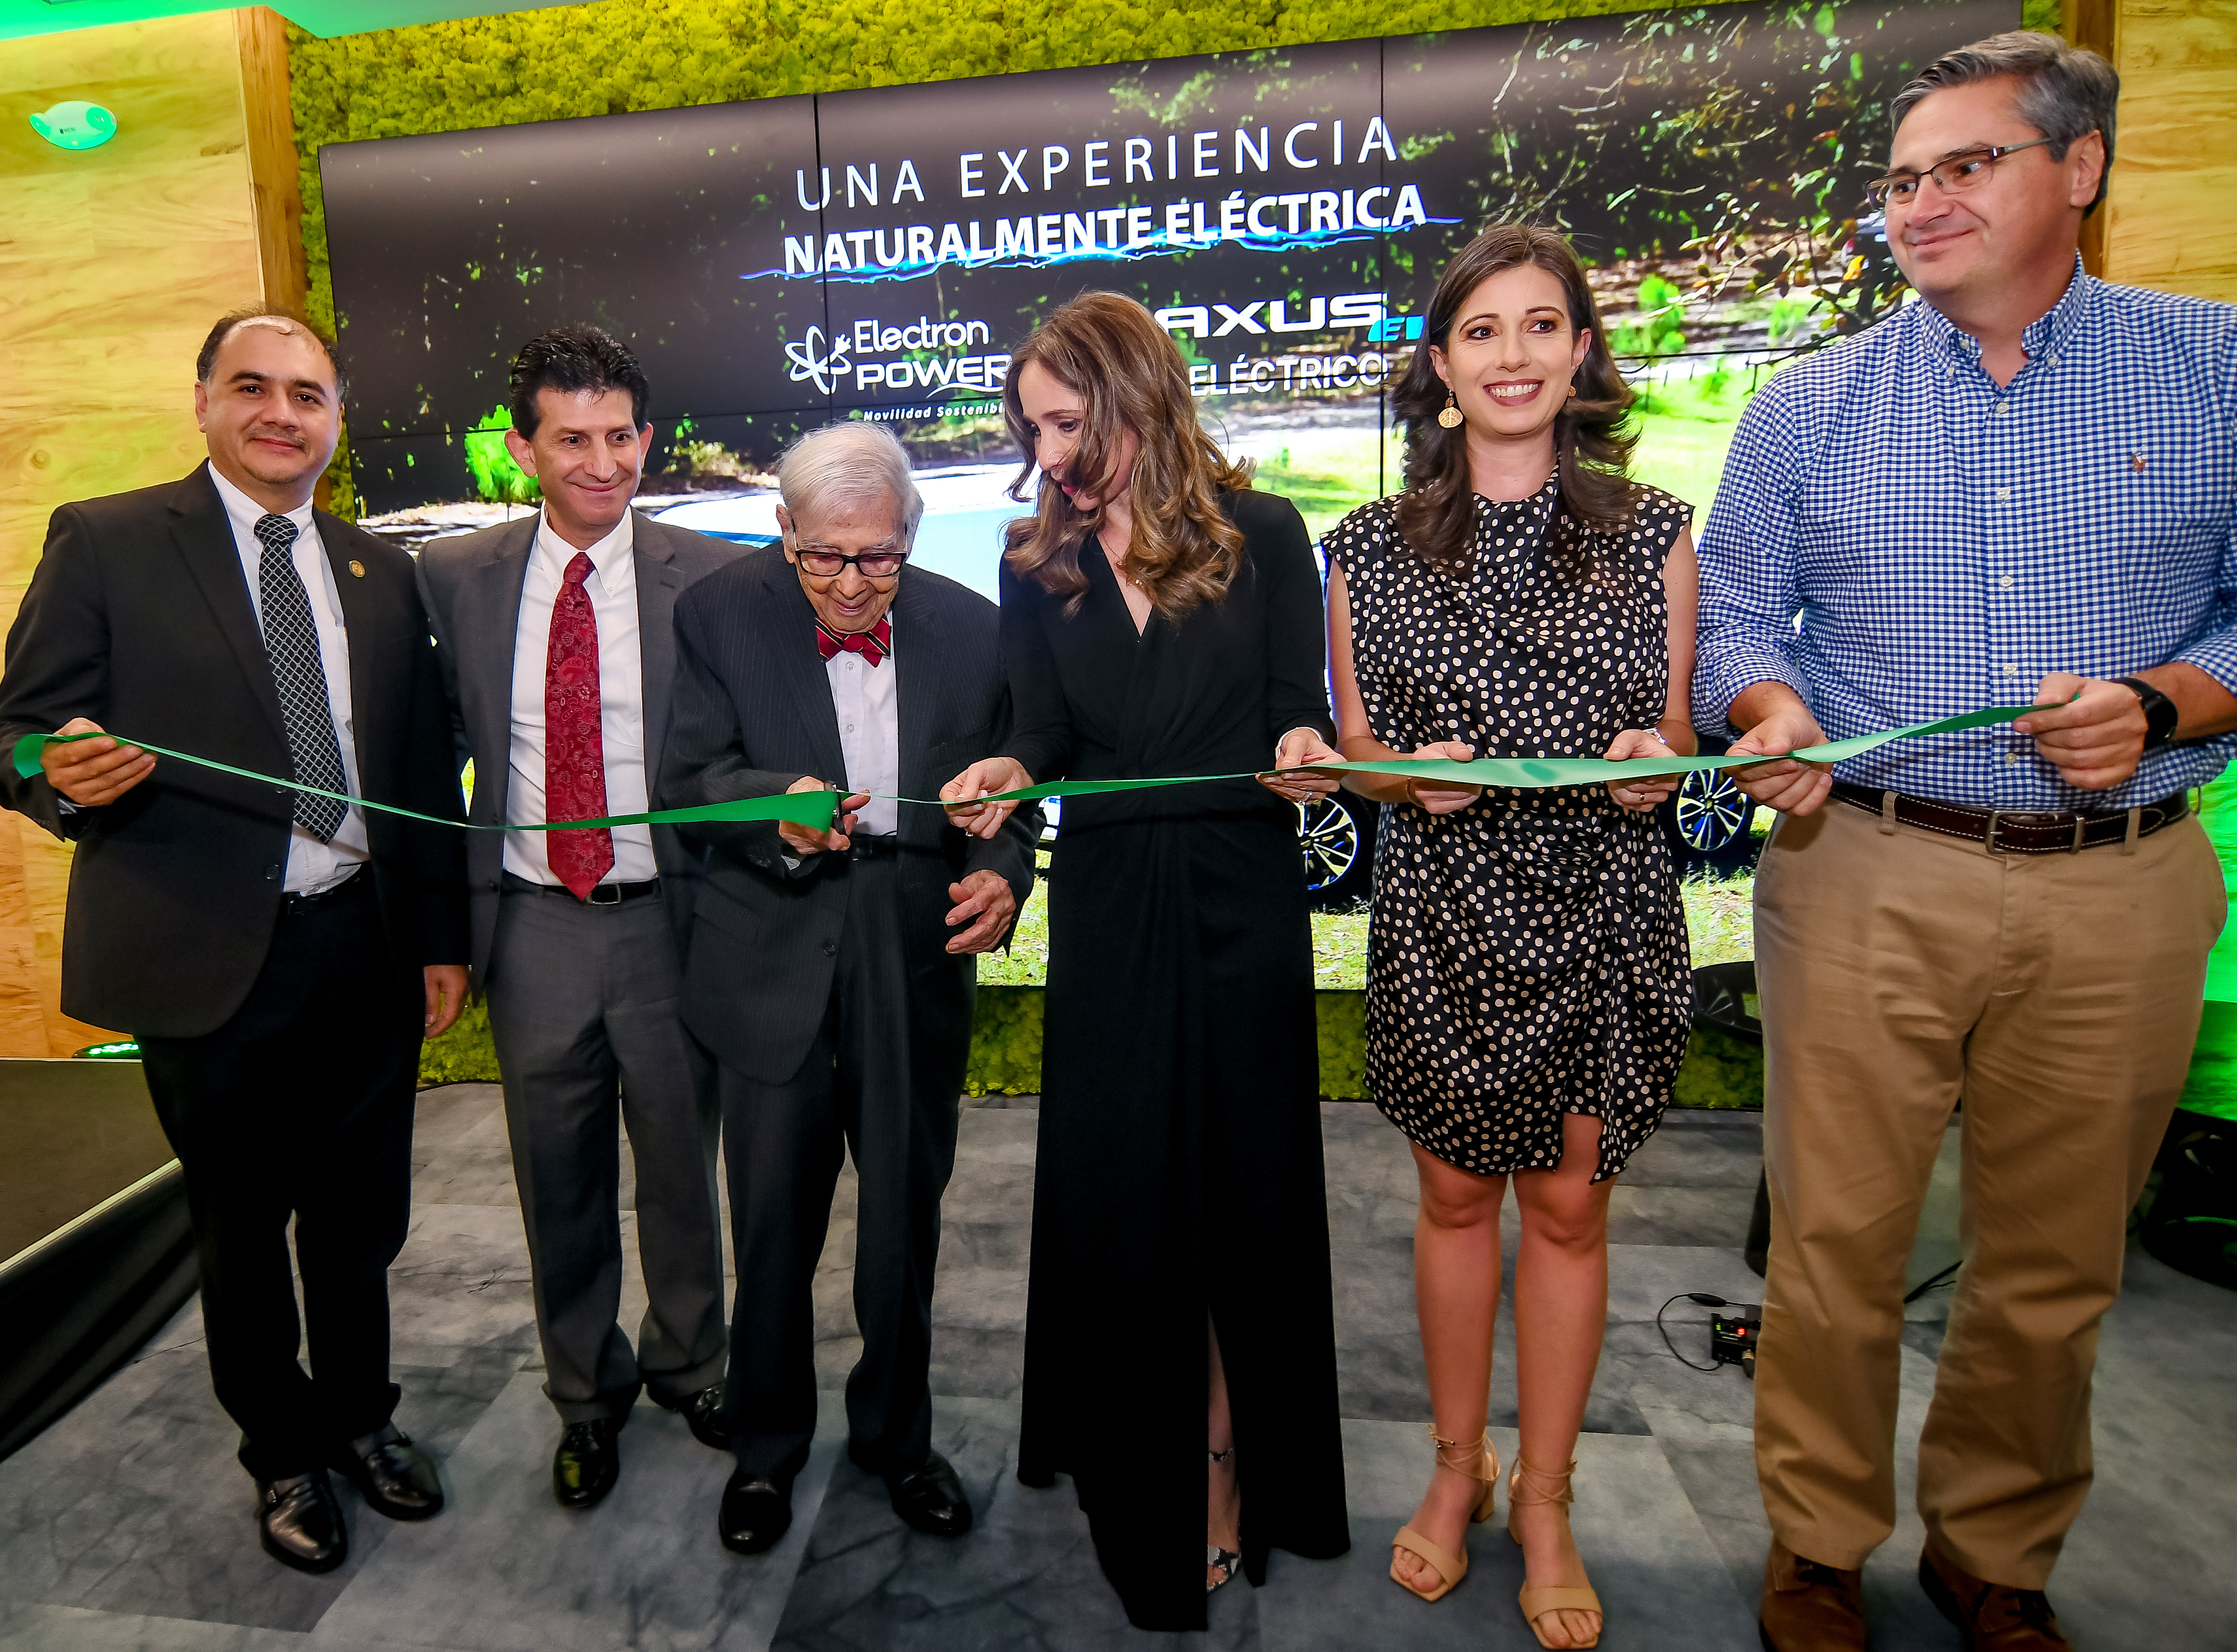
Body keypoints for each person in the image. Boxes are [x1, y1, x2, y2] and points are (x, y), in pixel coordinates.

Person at [1693, 33, 2237, 1652]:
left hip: (2121, 880)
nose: (1920, 203)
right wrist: (1768, 707)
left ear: (2074, 170)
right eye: (1903, 178)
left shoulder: (2213, 371)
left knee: (2056, 1259)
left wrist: (2163, 699)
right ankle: (1814, 1540)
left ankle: (1993, 1554)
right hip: (1862, 867)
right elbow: (1729, 604)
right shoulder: (1808, 403)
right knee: (1835, 1240)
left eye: (1964, 165)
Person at [0, 306, 470, 1575]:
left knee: (360, 1223)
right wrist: (56, 779)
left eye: (307, 395)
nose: (280, 415)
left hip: (362, 948)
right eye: (252, 388)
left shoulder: (379, 568)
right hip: (205, 957)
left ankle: (362, 1419)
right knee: (241, 1230)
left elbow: (417, 768)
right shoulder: (108, 542)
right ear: (202, 399)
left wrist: (437, 939)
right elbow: (17, 737)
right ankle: (283, 1452)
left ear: (335, 419)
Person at [942, 290, 1351, 1630]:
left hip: (1240, 898)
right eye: (1033, 428)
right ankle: (1142, 1472)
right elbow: (1042, 738)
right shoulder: (1032, 564)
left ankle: (1228, 1474)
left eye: (1068, 420)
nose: (1051, 452)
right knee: (1125, 1198)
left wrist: (1307, 757)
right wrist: (1012, 763)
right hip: (1111, 904)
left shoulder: (1269, 535)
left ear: (1137, 393)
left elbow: (1300, 713)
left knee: (1239, 1201)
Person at [1323, 223, 1696, 1651]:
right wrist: (1391, 770)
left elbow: (1670, 738)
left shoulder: (1653, 529)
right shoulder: (1364, 545)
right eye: (1481, 331)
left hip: (1599, 904)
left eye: (1540, 326)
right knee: (1455, 1201)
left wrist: (1647, 762)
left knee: (1568, 1206)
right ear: (1439, 365)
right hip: (1442, 914)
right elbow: (1357, 747)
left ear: (1580, 350)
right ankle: (1451, 1468)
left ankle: (1544, 1494)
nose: (1512, 355)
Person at [659, 421, 1036, 1555]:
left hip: (911, 949)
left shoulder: (973, 632)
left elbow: (1014, 799)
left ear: (912, 537)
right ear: (785, 535)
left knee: (903, 1225)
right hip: (767, 944)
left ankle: (896, 1436)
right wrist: (772, 804)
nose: (852, 584)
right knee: (770, 1221)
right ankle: (766, 1448)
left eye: (878, 556)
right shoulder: (718, 613)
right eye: (824, 556)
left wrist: (1002, 880)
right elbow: (688, 784)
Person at [415, 326, 740, 1510]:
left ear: (647, 440)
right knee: (554, 1177)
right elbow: (425, 757)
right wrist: (440, 934)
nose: (601, 464)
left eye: (620, 438)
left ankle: (694, 1364)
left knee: (678, 1166)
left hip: (671, 922)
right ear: (524, 448)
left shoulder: (713, 574)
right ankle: (583, 1398)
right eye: (573, 440)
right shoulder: (452, 576)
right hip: (535, 923)